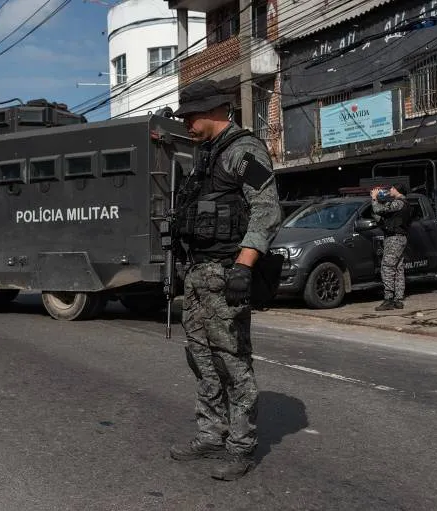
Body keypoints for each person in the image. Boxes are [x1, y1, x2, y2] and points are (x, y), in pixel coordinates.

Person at [168, 79, 283, 481]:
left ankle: (241, 446)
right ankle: (211, 434)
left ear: (215, 110)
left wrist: (244, 266)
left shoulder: (244, 151)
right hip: (198, 274)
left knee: (233, 362)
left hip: (225, 273)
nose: (186, 123)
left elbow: (266, 209)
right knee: (201, 358)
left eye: (190, 115)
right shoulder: (205, 154)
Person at [370, 182, 412, 311]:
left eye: (392, 188)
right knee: (398, 268)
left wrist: (374, 198)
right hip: (398, 238)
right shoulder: (403, 203)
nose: (390, 190)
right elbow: (384, 216)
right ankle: (398, 299)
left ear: (397, 190)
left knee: (387, 267)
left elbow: (379, 210)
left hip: (395, 238)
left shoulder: (399, 203)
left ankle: (388, 299)